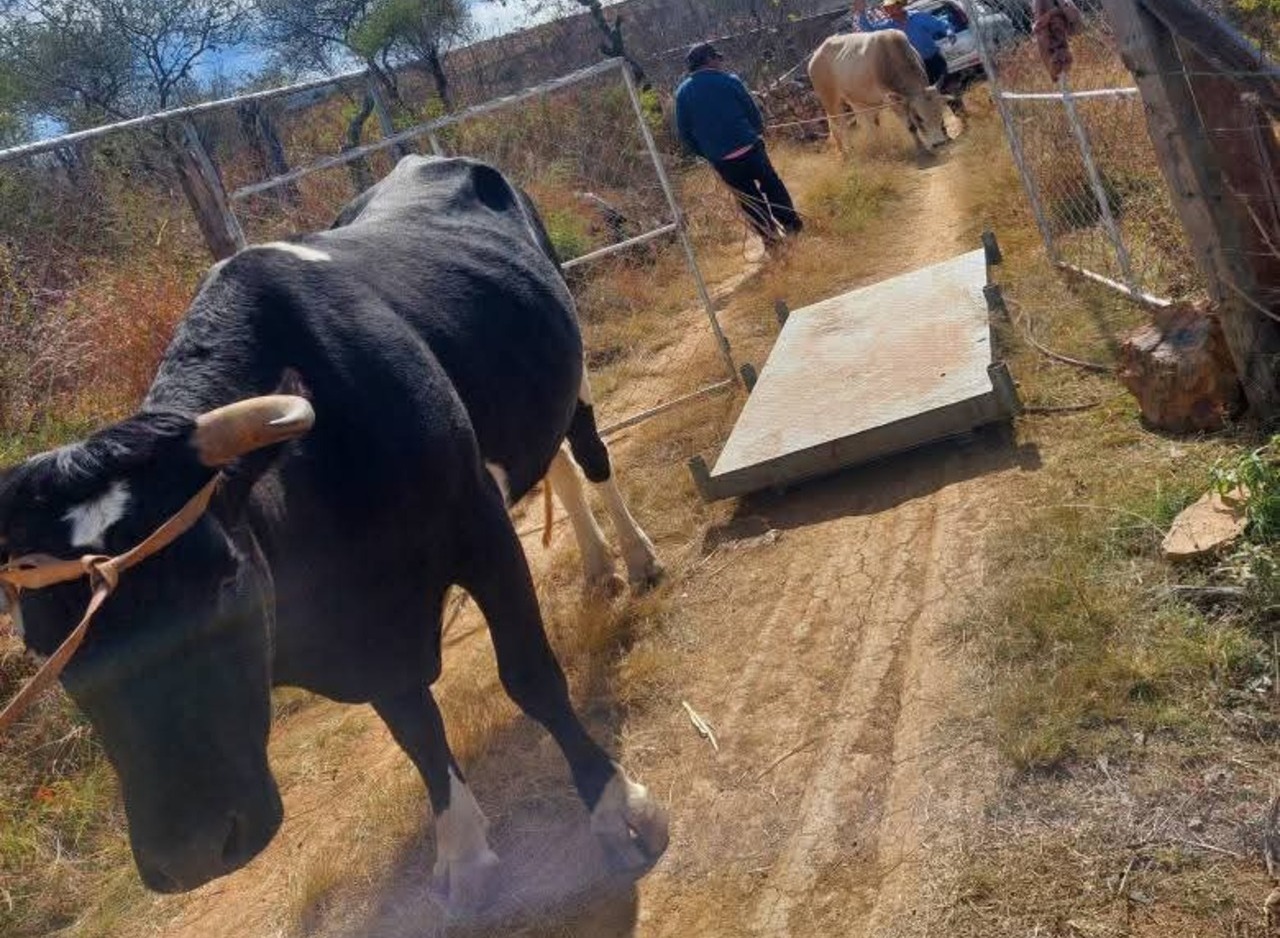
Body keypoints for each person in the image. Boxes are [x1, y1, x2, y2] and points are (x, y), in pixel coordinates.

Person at [674, 42, 802, 247]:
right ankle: (792, 227)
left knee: (749, 200)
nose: (720, 62)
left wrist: (707, 154)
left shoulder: (682, 93)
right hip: (750, 148)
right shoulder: (730, 81)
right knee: (772, 185)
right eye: (717, 58)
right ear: (708, 60)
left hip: (723, 160)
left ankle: (770, 240)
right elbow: (752, 111)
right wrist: (757, 133)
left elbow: (684, 133)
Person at [853, 0, 953, 87]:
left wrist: (949, 32)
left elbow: (941, 25)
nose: (887, 10)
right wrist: (861, 12)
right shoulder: (888, 26)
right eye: (886, 8)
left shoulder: (918, 17)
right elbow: (870, 31)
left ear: (900, 5)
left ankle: (958, 108)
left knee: (948, 90)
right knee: (926, 99)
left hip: (934, 60)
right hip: (914, 69)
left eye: (890, 7)